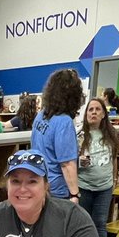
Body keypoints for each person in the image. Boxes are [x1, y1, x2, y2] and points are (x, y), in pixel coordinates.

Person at [31, 69, 85, 202]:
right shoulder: (64, 121)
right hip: (58, 191)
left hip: (41, 183)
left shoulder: (41, 116)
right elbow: (66, 163)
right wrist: (74, 194)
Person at [78, 98, 119, 237]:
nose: (94, 112)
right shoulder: (79, 135)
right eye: (90, 110)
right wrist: (80, 161)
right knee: (83, 224)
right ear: (86, 114)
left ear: (103, 114)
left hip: (104, 187)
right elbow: (70, 160)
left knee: (100, 224)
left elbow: (114, 158)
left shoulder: (111, 134)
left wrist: (115, 180)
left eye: (97, 109)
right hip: (84, 186)